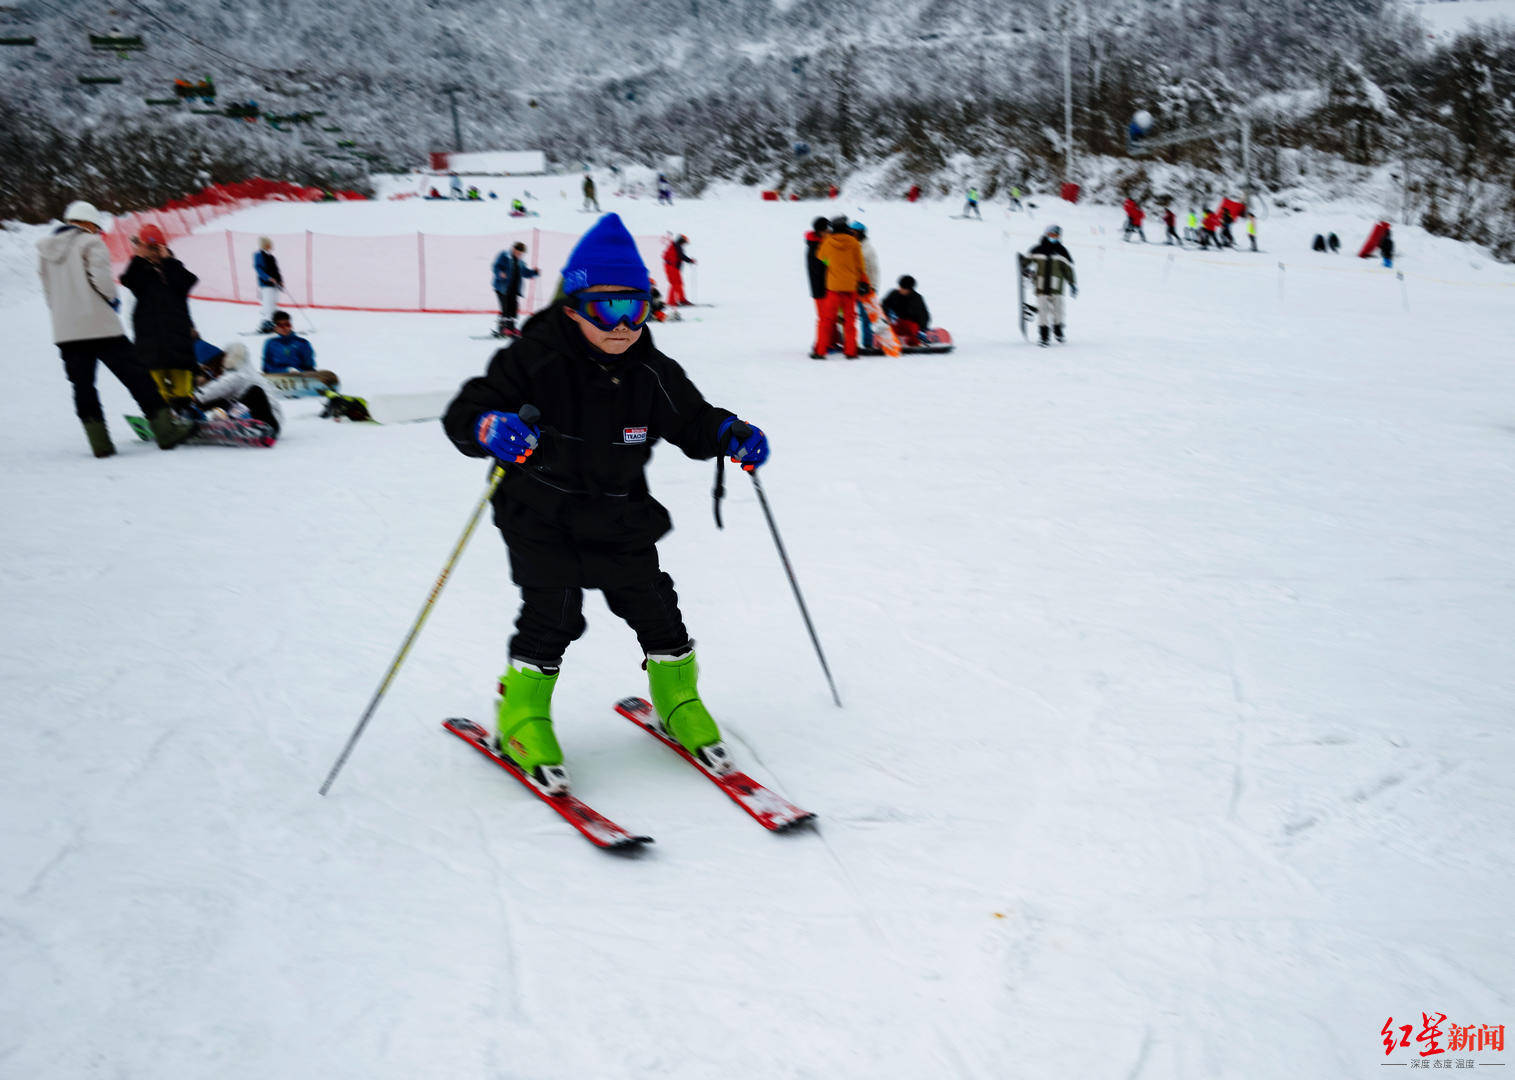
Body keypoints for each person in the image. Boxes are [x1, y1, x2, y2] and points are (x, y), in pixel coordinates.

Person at [440, 212, 770, 792]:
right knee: (556, 613)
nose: (622, 325)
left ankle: (677, 698)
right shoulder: (532, 359)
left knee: (655, 607)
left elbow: (690, 420)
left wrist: (727, 432)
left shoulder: (650, 369)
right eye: (605, 309)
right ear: (572, 307)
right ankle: (521, 715)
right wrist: (488, 426)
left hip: (618, 511)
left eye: (636, 308)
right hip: (539, 511)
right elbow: (466, 412)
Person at [37, 199, 192, 456]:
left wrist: (64, 315)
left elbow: (48, 293)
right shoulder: (91, 242)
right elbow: (103, 282)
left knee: (83, 386)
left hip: (67, 331)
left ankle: (100, 444)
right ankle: (166, 431)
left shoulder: (44, 251)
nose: (97, 232)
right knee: (137, 377)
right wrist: (112, 300)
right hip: (101, 327)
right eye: (96, 227)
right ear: (87, 223)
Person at [120, 224, 199, 401]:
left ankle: (184, 415)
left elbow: (187, 282)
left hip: (178, 343)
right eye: (149, 248)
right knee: (156, 392)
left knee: (183, 391)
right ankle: (162, 420)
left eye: (157, 248)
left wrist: (169, 260)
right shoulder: (140, 272)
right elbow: (129, 281)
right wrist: (139, 258)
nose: (153, 253)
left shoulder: (174, 270)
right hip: (150, 345)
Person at [193, 339, 283, 439]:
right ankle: (194, 416)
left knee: (254, 392)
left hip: (268, 423)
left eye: (210, 369)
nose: (212, 373)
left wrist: (196, 397)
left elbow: (220, 387)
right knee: (220, 400)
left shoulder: (238, 373)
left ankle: (231, 419)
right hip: (253, 416)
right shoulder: (237, 370)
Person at [812, 215, 868, 359]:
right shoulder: (854, 243)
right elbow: (860, 266)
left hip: (833, 288)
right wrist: (863, 282)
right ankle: (850, 352)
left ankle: (820, 351)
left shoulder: (827, 242)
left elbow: (822, 259)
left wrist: (833, 264)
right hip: (850, 288)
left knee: (827, 321)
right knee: (850, 321)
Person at [1025, 224, 1076, 347]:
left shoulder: (1062, 251)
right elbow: (1026, 262)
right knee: (1043, 312)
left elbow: (1068, 269)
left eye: (1056, 236)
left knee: (1058, 311)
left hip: (1056, 288)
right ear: (1046, 234)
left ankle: (1058, 331)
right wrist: (1026, 269)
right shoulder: (1037, 249)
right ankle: (1044, 336)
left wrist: (1072, 283)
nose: (1054, 237)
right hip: (1041, 287)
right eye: (1051, 235)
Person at [261, 311, 338, 388]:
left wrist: (300, 372)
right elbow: (266, 367)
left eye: (287, 324)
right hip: (277, 378)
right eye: (280, 325)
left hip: (299, 378)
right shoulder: (270, 343)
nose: (285, 328)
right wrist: (285, 371)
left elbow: (309, 366)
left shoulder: (302, 343)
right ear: (275, 328)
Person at [492, 241, 540, 338]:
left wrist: (534, 272)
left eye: (521, 254)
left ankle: (511, 328)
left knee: (513, 309)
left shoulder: (520, 262)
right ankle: (504, 328)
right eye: (518, 253)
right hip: (502, 288)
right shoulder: (504, 256)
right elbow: (495, 266)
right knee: (506, 308)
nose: (519, 255)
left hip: (514, 289)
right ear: (513, 249)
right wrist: (500, 273)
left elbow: (525, 273)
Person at [852, 221, 880, 351]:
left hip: (866, 288)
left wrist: (873, 286)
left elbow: (874, 269)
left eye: (854, 232)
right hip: (854, 287)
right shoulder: (855, 246)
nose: (851, 234)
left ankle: (868, 344)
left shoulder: (867, 249)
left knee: (866, 317)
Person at [881, 275, 930, 346]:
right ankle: (888, 342)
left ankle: (914, 344)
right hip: (897, 322)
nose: (900, 289)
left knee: (913, 332)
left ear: (909, 289)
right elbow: (884, 305)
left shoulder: (917, 299)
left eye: (902, 287)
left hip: (911, 324)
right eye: (900, 286)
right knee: (888, 329)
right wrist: (887, 315)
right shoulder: (894, 294)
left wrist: (922, 330)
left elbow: (924, 316)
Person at [804, 216, 830, 334]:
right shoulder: (816, 247)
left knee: (827, 317)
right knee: (824, 317)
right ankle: (821, 344)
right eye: (827, 230)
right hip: (820, 288)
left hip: (822, 287)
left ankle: (828, 342)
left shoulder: (817, 244)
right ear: (820, 231)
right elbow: (824, 264)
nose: (829, 232)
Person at [253, 237, 282, 333]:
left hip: (275, 284)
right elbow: (258, 269)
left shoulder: (272, 257)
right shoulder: (258, 255)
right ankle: (266, 325)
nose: (271, 246)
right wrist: (267, 277)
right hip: (266, 284)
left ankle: (273, 324)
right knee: (268, 304)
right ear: (265, 244)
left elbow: (277, 270)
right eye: (269, 244)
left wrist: (280, 281)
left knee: (273, 304)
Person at [663, 233, 694, 307]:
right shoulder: (676, 246)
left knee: (679, 283)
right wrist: (690, 260)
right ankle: (671, 301)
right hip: (671, 267)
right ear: (681, 240)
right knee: (675, 284)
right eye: (684, 242)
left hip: (673, 268)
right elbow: (681, 256)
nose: (684, 244)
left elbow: (679, 256)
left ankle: (682, 299)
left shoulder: (675, 246)